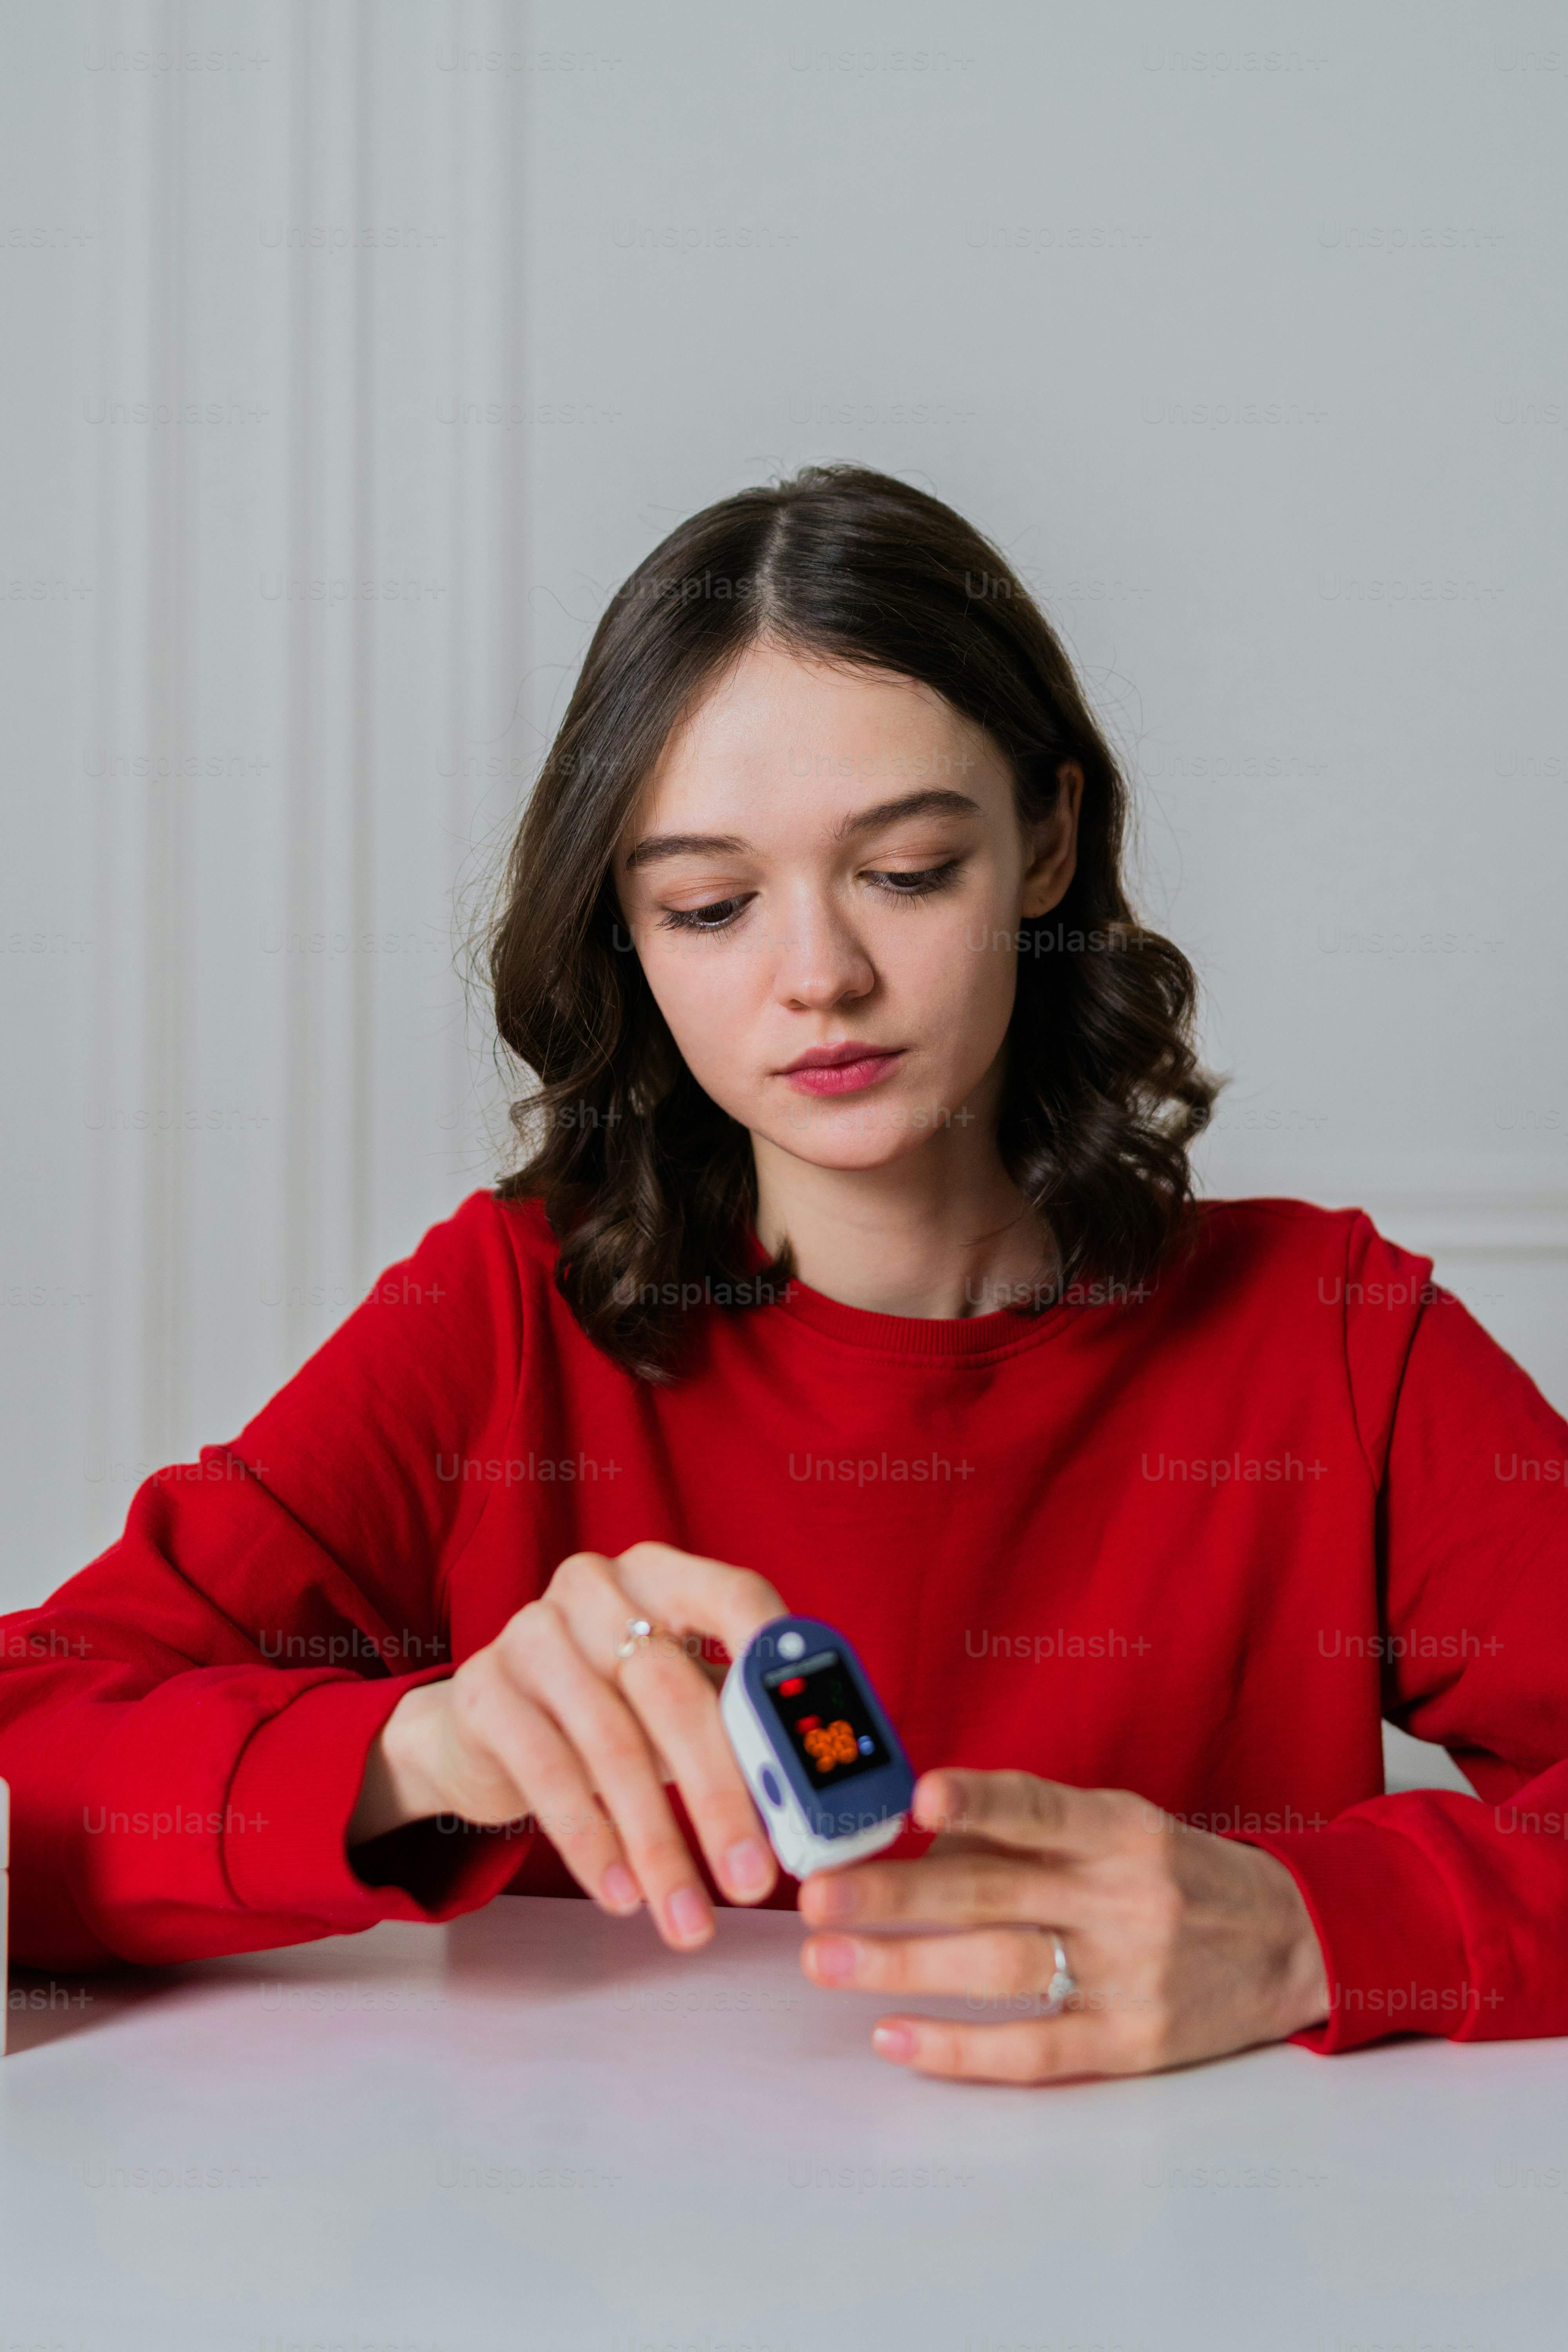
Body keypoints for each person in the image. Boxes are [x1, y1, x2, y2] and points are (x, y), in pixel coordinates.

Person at [4, 466, 1565, 2085]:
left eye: (903, 872)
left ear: (1046, 843)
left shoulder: (1334, 1338)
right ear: (625, 928)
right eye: (712, 904)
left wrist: (1315, 1926)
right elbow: (27, 1754)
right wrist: (427, 1751)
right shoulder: (495, 1327)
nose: (818, 975)